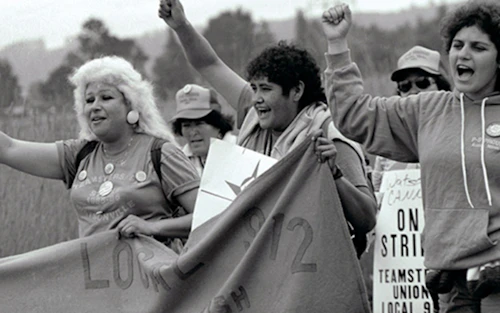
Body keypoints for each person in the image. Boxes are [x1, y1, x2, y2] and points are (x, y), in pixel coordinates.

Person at [158, 0, 378, 256]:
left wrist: (335, 175)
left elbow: (367, 218)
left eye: (266, 89)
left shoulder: (329, 135)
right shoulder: (254, 113)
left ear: (296, 91)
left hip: (314, 269)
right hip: (259, 265)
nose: (256, 98)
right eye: (254, 88)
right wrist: (181, 26)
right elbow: (209, 64)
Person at [322, 1, 500, 311]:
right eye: (457, 45)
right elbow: (353, 115)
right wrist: (338, 45)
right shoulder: (427, 110)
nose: (463, 54)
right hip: (450, 285)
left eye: (478, 47)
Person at [0, 56, 200, 252]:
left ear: (131, 104)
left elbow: (210, 216)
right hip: (95, 281)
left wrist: (152, 227)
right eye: (89, 100)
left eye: (106, 97)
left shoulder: (161, 152)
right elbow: (8, 149)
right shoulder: (78, 154)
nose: (95, 106)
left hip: (155, 280)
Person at [372, 45, 452, 194]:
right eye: (405, 86)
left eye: (422, 82)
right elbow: (377, 192)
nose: (414, 91)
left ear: (441, 86)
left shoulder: (459, 132)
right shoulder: (389, 140)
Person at [171, 84, 236, 175]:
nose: (193, 132)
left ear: (217, 125)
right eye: (186, 125)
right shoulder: (179, 161)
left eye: (199, 124)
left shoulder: (240, 150)